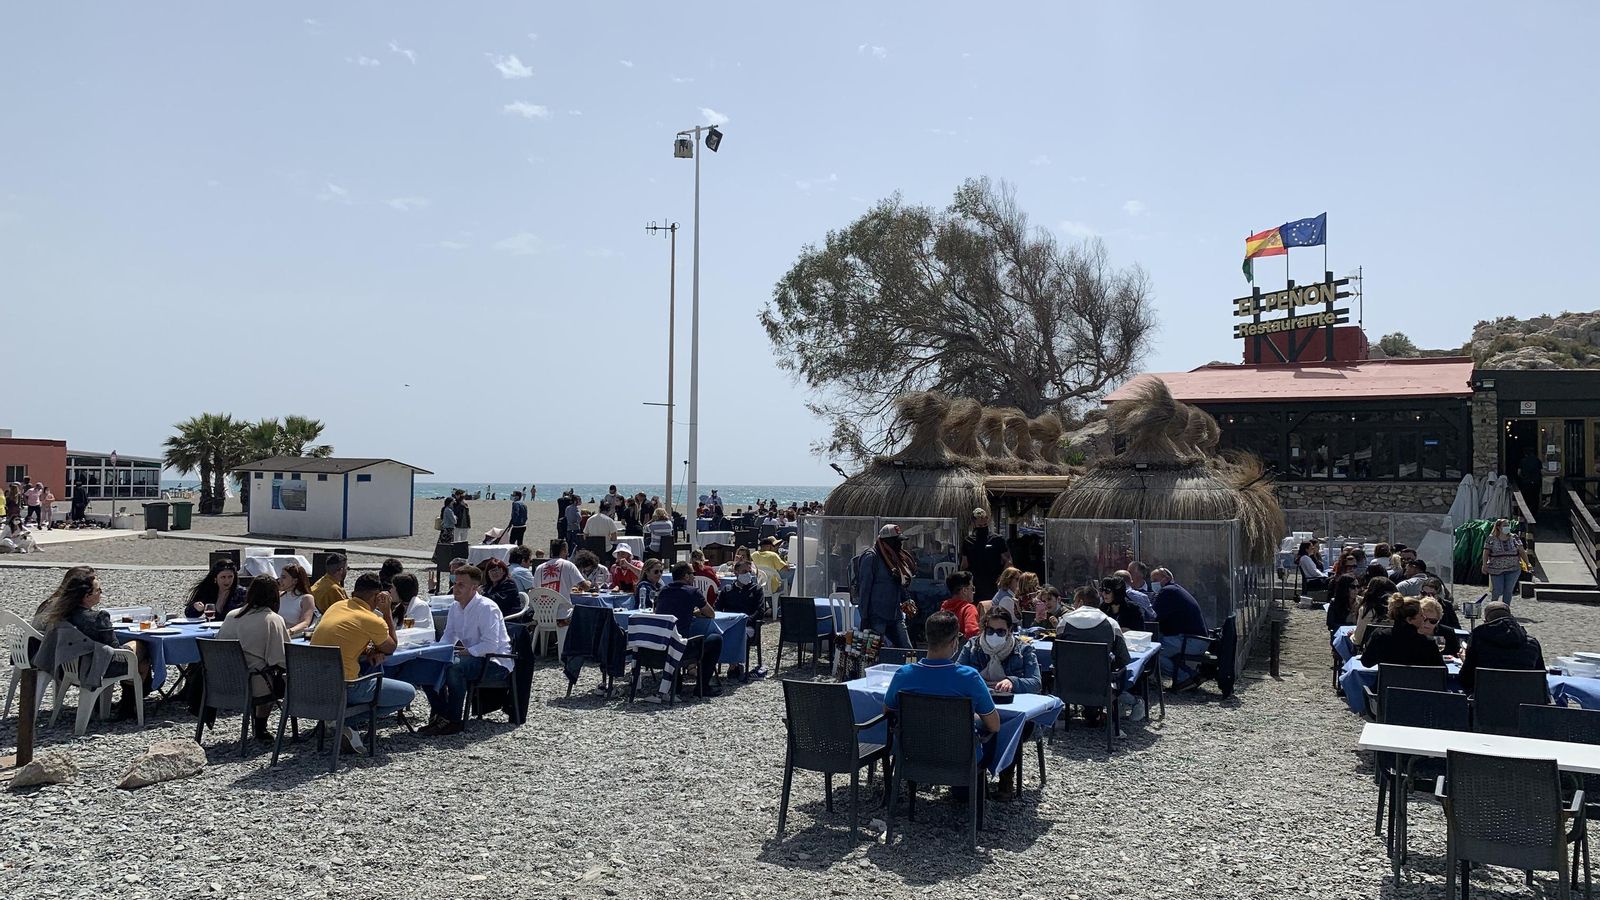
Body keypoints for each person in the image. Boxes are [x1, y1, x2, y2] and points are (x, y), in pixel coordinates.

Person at [881, 611, 1000, 785]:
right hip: (960, 758)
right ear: (954, 643)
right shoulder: (969, 678)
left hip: (914, 754)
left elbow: (888, 712)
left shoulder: (903, 675)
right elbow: (994, 725)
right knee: (989, 730)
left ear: (927, 638)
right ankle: (976, 787)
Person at [310, 573, 416, 751]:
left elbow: (347, 640)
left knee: (366, 673)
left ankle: (341, 724)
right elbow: (391, 647)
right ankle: (345, 721)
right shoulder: (372, 620)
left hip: (314, 685)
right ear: (377, 596)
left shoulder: (336, 606)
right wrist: (387, 613)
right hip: (346, 687)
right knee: (408, 693)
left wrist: (368, 650)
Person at [32, 573, 149, 719]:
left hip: (70, 667)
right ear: (87, 596)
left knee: (139, 660)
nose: (101, 593)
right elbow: (114, 649)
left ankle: (119, 704)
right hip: (99, 667)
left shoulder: (61, 615)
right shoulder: (99, 618)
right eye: (99, 590)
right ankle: (129, 704)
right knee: (142, 649)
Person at [421, 565, 513, 736]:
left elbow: (490, 645)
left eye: (461, 585)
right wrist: (433, 653)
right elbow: (448, 637)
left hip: (495, 662)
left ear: (474, 588)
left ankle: (454, 720)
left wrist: (462, 652)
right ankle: (442, 714)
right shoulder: (456, 607)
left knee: (455, 667)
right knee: (428, 665)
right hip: (474, 657)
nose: (455, 588)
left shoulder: (487, 608)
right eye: (455, 584)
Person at [216, 575, 290, 742]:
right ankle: (261, 727)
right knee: (276, 675)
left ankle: (259, 727)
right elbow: (281, 659)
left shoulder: (232, 616)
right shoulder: (272, 619)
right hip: (253, 683)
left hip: (221, 681)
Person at [1057, 585, 1142, 723]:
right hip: (1100, 685)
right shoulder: (1111, 624)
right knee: (1117, 671)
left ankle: (1087, 711)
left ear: (1079, 602)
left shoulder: (1064, 623)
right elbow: (1124, 658)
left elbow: (1056, 656)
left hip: (1069, 683)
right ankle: (1131, 701)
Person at [654, 562, 723, 697]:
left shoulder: (663, 591)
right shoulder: (692, 592)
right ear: (686, 576)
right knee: (716, 640)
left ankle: (676, 680)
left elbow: (657, 612)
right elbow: (711, 613)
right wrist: (695, 612)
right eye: (693, 574)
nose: (694, 577)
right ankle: (703, 686)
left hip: (661, 646)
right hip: (681, 648)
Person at [1458, 600, 1545, 693]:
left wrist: (1465, 660)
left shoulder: (1479, 640)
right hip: (1524, 701)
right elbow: (1541, 679)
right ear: (1512, 618)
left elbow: (1466, 680)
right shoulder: (1532, 643)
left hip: (1486, 702)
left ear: (1485, 622)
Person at [856, 523, 917, 649]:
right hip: (877, 616)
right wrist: (865, 617)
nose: (900, 545)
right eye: (897, 541)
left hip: (896, 614)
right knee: (873, 654)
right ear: (888, 541)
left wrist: (907, 600)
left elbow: (900, 582)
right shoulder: (871, 557)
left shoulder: (895, 557)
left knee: (907, 651)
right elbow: (864, 590)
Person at [956, 606, 1040, 695]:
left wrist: (1012, 682)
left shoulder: (1024, 650)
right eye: (990, 630)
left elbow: (1036, 683)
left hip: (1010, 699)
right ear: (984, 628)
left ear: (1009, 630)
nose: (994, 635)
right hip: (978, 696)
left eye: (1000, 632)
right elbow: (956, 675)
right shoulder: (972, 646)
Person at [1149, 568, 1209, 690]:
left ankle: (1184, 678)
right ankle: (1192, 675)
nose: (1153, 583)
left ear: (1166, 579)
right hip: (1197, 640)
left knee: (1153, 652)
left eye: (1155, 580)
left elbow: (1153, 615)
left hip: (1191, 641)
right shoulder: (1175, 590)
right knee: (1161, 644)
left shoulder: (1167, 592)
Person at [1358, 594, 1445, 669]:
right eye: (1421, 615)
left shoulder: (1380, 636)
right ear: (1409, 620)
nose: (1424, 618)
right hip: (1418, 688)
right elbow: (1442, 672)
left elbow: (1366, 663)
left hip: (1386, 687)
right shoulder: (1427, 643)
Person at [718, 559, 765, 678]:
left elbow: (760, 611)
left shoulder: (756, 590)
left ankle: (734, 665)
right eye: (744, 571)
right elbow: (717, 608)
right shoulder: (727, 590)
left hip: (747, 625)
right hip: (727, 625)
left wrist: (745, 621)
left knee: (739, 634)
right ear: (736, 572)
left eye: (749, 571)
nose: (748, 574)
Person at [960, 508, 1010, 603]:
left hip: (994, 583)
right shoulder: (968, 541)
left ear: (987, 520)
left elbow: (1008, 561)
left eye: (985, 525)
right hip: (975, 584)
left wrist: (1002, 577)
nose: (983, 527)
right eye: (980, 525)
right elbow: (964, 565)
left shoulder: (997, 539)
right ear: (974, 523)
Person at [1481, 518, 1526, 605]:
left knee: (1508, 590)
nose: (1507, 527)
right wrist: (1484, 565)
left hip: (1513, 569)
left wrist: (1527, 563)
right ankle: (1493, 608)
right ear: (1498, 527)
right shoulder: (1491, 539)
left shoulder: (1514, 537)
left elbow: (1521, 551)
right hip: (1496, 569)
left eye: (1508, 525)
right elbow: (1486, 552)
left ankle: (1506, 609)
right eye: (1505, 525)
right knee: (1497, 590)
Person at [1351, 577, 1397, 649]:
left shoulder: (1366, 610)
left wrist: (1352, 635)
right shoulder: (1401, 611)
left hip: (1370, 652)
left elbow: (1358, 640)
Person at [938, 570, 982, 640]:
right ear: (964, 590)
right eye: (972, 588)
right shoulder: (969, 608)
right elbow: (972, 633)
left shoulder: (944, 607)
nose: (973, 592)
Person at [276, 563, 316, 637]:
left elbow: (305, 623)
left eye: (283, 577)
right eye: (280, 577)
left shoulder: (306, 598)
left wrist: (289, 632)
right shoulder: (279, 595)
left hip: (294, 637)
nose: (279, 580)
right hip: (277, 634)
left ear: (295, 581)